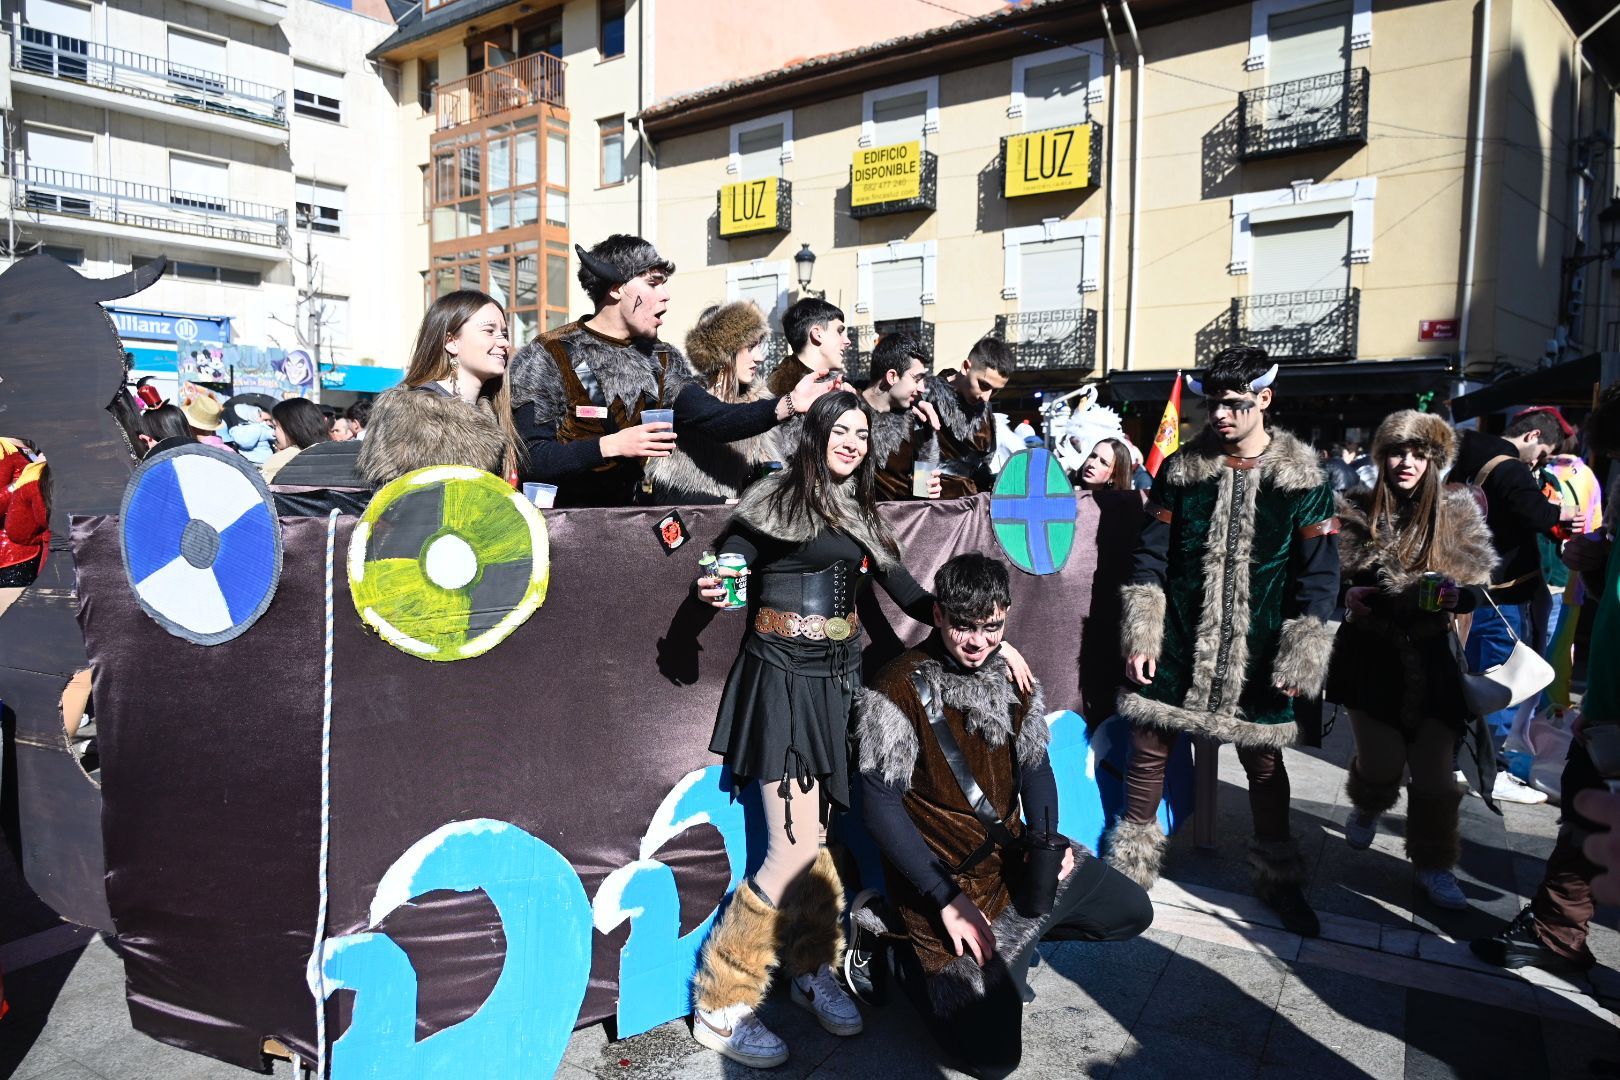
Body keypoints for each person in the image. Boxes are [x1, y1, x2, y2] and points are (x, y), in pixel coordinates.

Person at [686, 391, 1029, 1069]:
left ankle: (809, 967)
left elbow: (912, 597)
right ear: (815, 433)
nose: (851, 441)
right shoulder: (774, 496)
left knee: (814, 839)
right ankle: (720, 1003)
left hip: (836, 682)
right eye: (839, 429)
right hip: (781, 678)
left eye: (861, 433)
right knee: (789, 850)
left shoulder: (863, 513)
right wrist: (713, 585)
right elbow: (728, 559)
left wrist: (986, 631)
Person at [855, 553, 1153, 1078]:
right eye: (964, 627)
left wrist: (1047, 844)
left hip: (1012, 860)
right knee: (993, 1062)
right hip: (944, 885)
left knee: (1132, 912)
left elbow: (1035, 765)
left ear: (1005, 616)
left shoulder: (1009, 670)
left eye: (991, 628)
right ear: (940, 616)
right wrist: (944, 899)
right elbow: (878, 806)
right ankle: (894, 945)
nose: (977, 642)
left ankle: (1010, 957)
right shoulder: (894, 688)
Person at [1104, 346, 1340, 936]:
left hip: (1260, 649)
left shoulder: (1303, 479)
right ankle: (1128, 873)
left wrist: (1300, 653)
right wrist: (1143, 633)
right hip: (1179, 637)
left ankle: (1279, 878)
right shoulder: (1182, 469)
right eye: (1214, 405)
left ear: (1264, 399)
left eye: (1234, 405)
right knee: (1150, 743)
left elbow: (1318, 574)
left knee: (1263, 760)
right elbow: (1150, 558)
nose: (1221, 417)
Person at [1473, 381, 1620, 977]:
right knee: (1586, 806)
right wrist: (1601, 554)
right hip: (1610, 684)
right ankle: (1556, 929)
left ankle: (1556, 928)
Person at [507, 236, 830, 507]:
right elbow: (533, 459)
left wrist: (788, 403)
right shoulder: (548, 353)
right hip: (565, 528)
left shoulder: (661, 359)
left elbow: (715, 419)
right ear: (617, 288)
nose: (665, 295)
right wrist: (612, 445)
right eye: (653, 283)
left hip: (629, 524)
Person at [1327, 412, 1497, 910]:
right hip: (1371, 657)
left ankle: (1434, 863)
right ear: (1381, 457)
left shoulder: (1457, 511)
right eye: (1397, 452)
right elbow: (1328, 579)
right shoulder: (1356, 510)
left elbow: (1474, 589)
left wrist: (1454, 599)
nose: (1406, 463)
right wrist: (1349, 593)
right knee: (1381, 764)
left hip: (1433, 657)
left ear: (1435, 461)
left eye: (1419, 454)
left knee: (1435, 776)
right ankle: (1368, 804)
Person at [1451, 410, 1569, 803]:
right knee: (1501, 682)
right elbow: (1538, 514)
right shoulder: (1510, 467)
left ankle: (1455, 759)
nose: (1539, 461)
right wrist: (1564, 513)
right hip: (1501, 591)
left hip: (1466, 587)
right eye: (1543, 452)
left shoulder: (1466, 451)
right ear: (1533, 435)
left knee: (1468, 677)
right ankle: (1485, 768)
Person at [357, 290, 527, 489]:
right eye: (489, 331)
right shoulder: (413, 415)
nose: (504, 343)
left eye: (504, 334)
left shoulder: (493, 416)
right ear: (451, 342)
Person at [643, 300, 781, 503]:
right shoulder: (684, 398)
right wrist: (722, 504)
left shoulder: (761, 402)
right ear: (724, 351)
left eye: (759, 346)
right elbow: (665, 493)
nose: (759, 357)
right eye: (751, 346)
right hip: (689, 525)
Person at [910, 337, 1014, 500]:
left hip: (974, 512)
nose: (986, 397)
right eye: (984, 385)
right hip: (933, 510)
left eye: (995, 391)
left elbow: (984, 465)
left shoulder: (985, 412)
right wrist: (922, 501)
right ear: (966, 367)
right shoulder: (924, 396)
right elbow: (914, 465)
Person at [860, 331, 942, 501]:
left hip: (904, 522)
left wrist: (928, 488)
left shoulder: (918, 420)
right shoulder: (845, 413)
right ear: (892, 376)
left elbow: (923, 492)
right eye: (916, 378)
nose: (921, 388)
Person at [766, 297, 849, 398]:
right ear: (817, 334)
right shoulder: (775, 397)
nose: (847, 342)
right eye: (839, 331)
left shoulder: (841, 387)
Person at [0, 437, 49, 592]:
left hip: (37, 547)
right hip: (13, 556)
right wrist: (22, 482)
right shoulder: (3, 447)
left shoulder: (30, 446)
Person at [262, 398, 330, 482]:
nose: (273, 433)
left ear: (292, 427)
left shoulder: (281, 462)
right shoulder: (334, 456)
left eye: (275, 426)